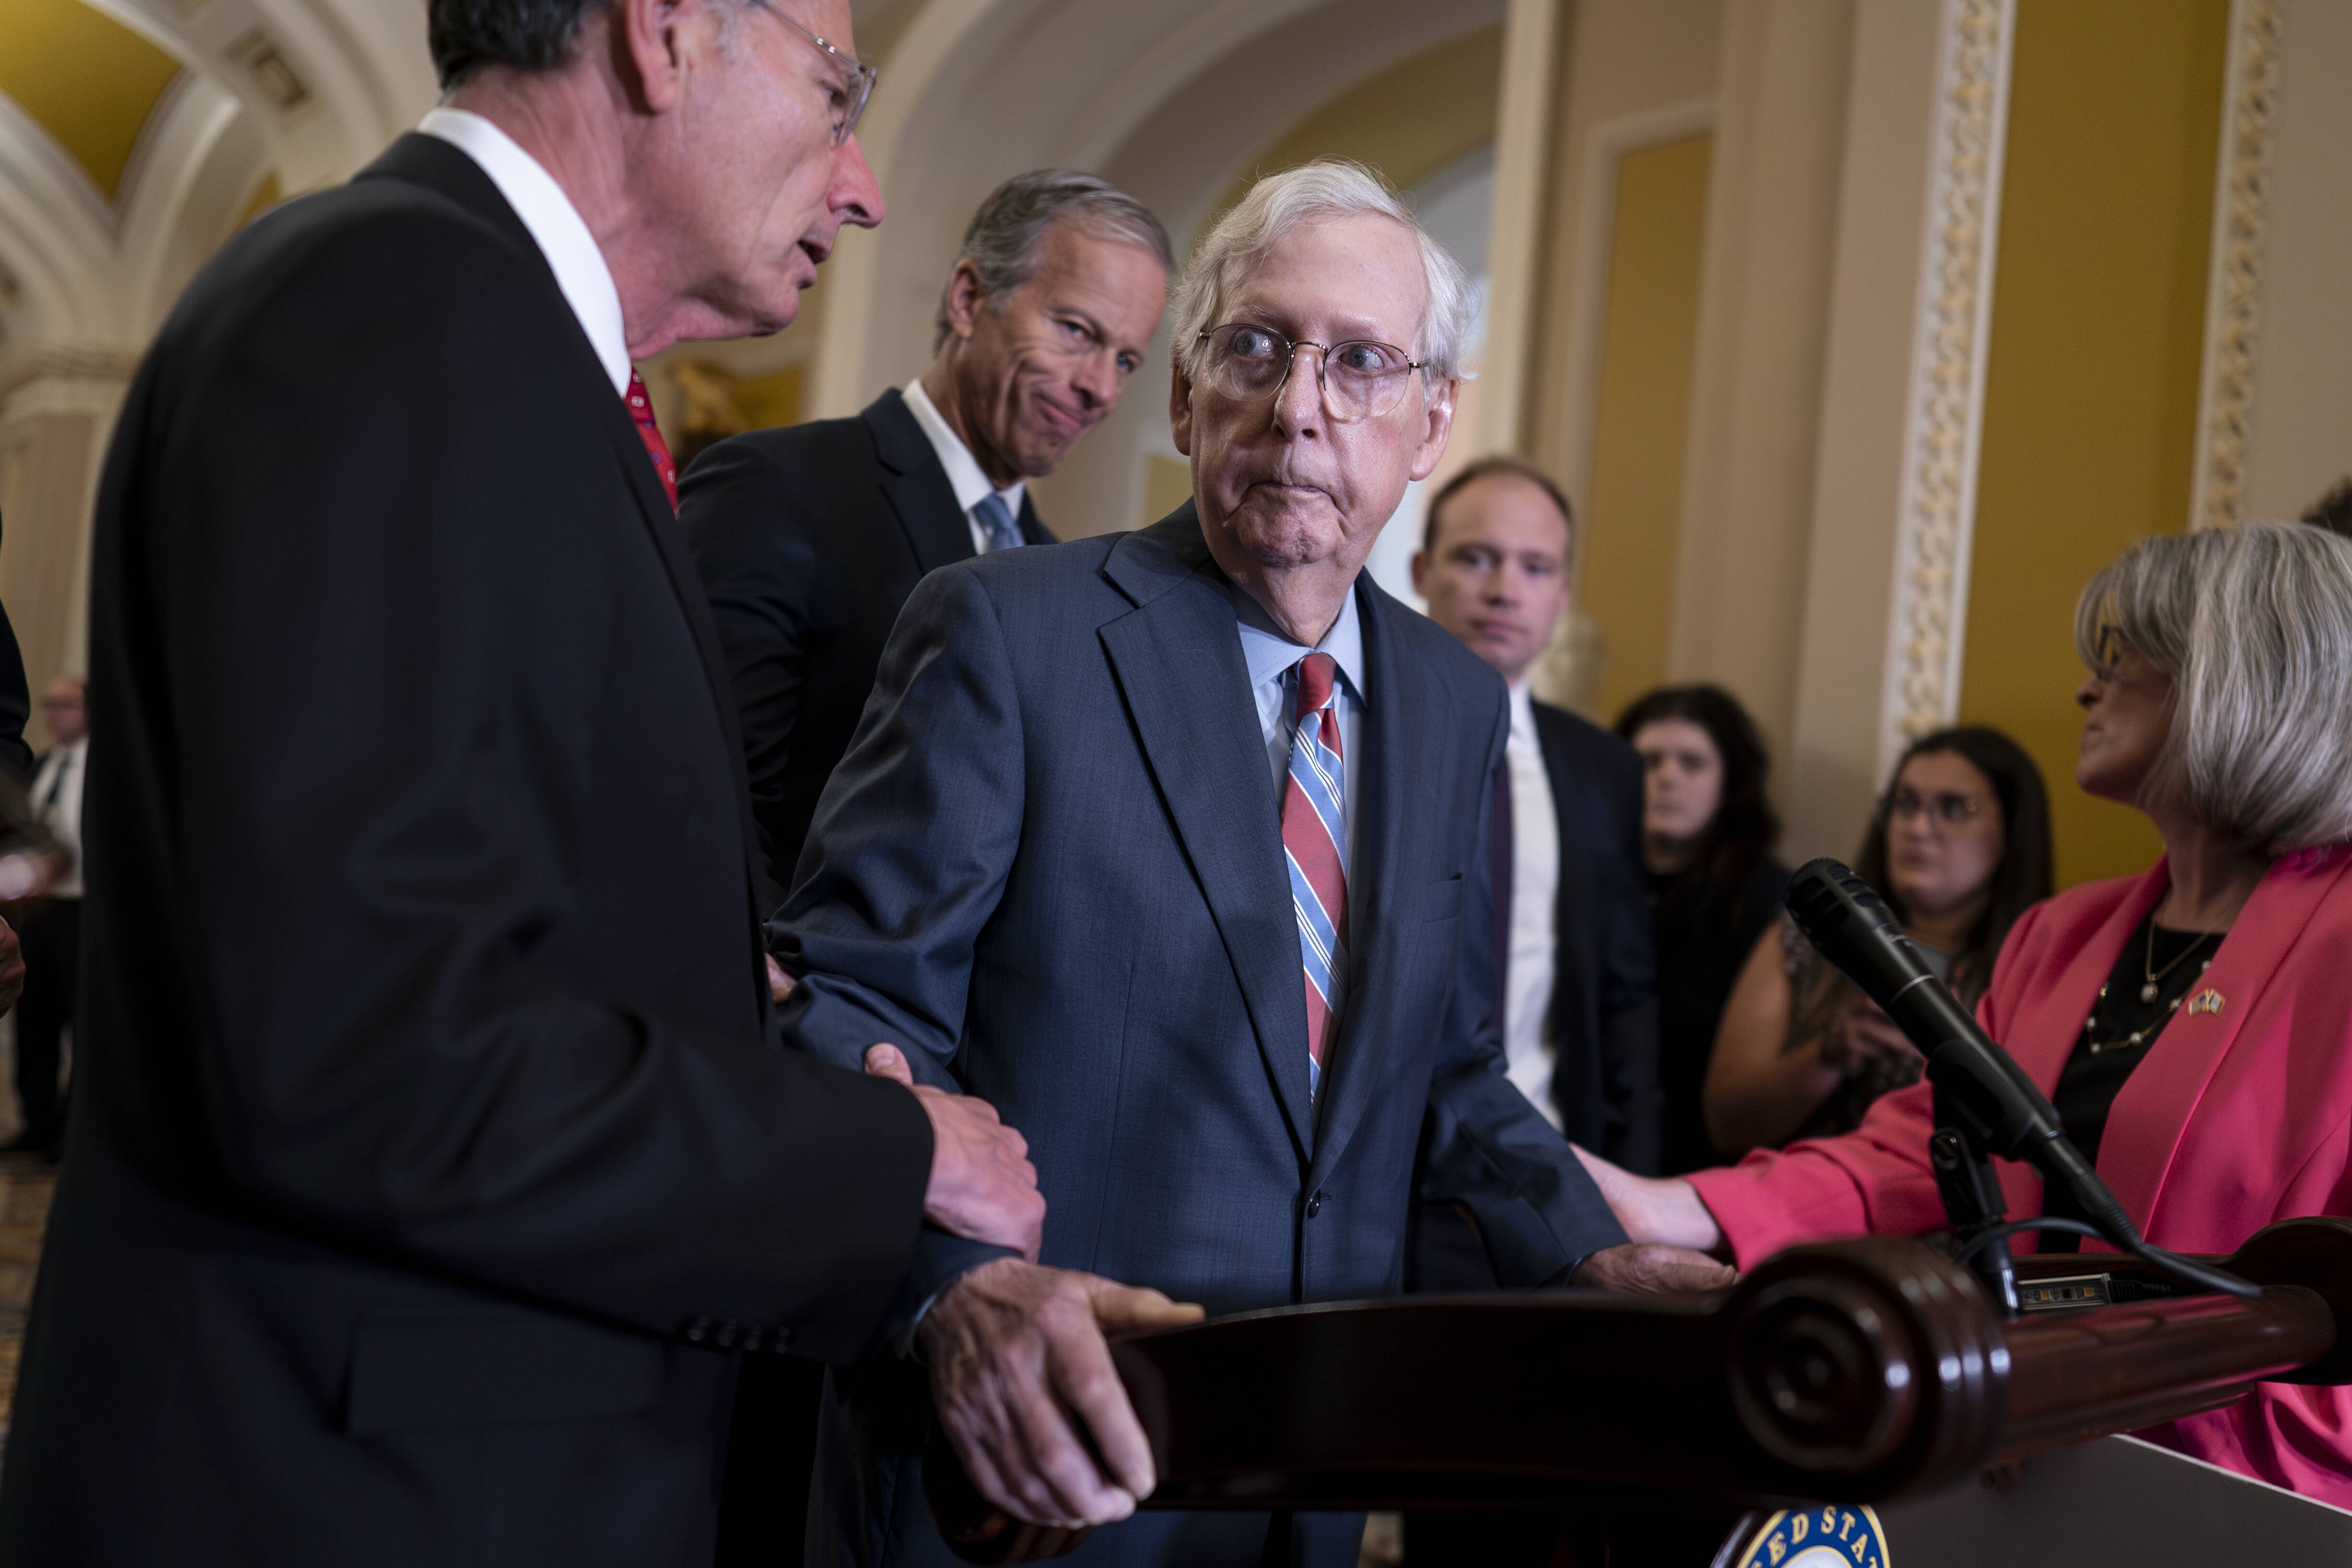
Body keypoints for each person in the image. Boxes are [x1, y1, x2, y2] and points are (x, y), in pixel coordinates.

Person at [0, 3, 1170, 1563]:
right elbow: (361, 1045)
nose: (863, 185)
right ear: (666, 34)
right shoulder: (385, 310)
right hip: (345, 1490)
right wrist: (895, 1158)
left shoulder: (520, 364)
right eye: (836, 95)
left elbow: (520, 931)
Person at [772, 160, 1729, 1568]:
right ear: (1184, 397)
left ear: (1429, 424)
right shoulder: (1005, 633)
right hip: (1033, 1457)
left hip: (1306, 1470)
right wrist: (951, 1289)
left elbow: (1442, 1063)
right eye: (1256, 348)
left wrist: (1588, 1247)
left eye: (1359, 364)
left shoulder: (1452, 698)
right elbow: (848, 1012)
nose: (1299, 406)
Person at [1582, 520, 2352, 1504]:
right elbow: (1918, 1158)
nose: (2085, 687)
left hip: (2238, 1497)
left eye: (2119, 659)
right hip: (2012, 1477)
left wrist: (2070, 1389)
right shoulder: (2060, 935)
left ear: (2240, 678)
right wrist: (1676, 1208)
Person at [684, 169, 1171, 911]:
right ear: (969, 300)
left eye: (1126, 360)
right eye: (1077, 332)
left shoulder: (1064, 582)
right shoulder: (779, 487)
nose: (1100, 388)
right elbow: (694, 782)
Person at [1410, 458, 1658, 1169]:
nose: (1503, 591)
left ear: (1563, 596)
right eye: (1475, 558)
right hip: (1377, 1174)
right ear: (1423, 571)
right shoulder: (1349, 734)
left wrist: (1636, 1181)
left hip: (1548, 1158)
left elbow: (1625, 996)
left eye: (1535, 567)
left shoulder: (1604, 769)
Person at [1703, 727, 2052, 1155]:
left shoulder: (2042, 964)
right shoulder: (1805, 938)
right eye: (1905, 804)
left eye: (1954, 807)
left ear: (2012, 827)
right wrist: (1829, 1055)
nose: (1919, 827)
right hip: (1800, 1204)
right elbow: (1726, 1124)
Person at [1614, 686, 1789, 1173]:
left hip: (1710, 1160)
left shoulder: (1768, 899)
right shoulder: (1585, 879)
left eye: (1691, 763)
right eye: (1649, 760)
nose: (1667, 777)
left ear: (1728, 779)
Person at [8, 677, 86, 1157]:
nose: (54, 713)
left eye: (66, 704)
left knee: (83, 1024)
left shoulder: (109, 768)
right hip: (36, 913)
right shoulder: (38, 766)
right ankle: (35, 1124)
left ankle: (72, 1131)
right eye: (49, 704)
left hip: (84, 912)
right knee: (33, 1022)